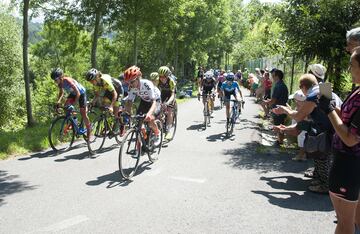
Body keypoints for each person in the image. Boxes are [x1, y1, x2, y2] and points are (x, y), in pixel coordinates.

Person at [318, 47, 360, 234]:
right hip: (350, 164)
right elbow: (346, 119)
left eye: (352, 66)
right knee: (355, 220)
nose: (349, 70)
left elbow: (350, 138)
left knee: (345, 224)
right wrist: (331, 106)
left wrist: (328, 110)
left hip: (348, 165)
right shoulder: (357, 91)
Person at [123, 65, 161, 144]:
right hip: (144, 101)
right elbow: (129, 101)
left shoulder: (147, 84)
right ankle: (145, 138)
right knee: (139, 121)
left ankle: (157, 133)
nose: (130, 84)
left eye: (132, 81)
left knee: (150, 119)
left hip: (155, 100)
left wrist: (149, 114)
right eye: (128, 82)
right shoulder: (132, 87)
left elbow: (153, 101)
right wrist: (127, 113)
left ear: (138, 78)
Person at [51, 68, 91, 138]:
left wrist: (73, 104)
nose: (55, 82)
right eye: (54, 80)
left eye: (55, 80)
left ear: (61, 77)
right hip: (73, 93)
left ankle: (89, 131)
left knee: (83, 113)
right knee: (66, 107)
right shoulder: (60, 84)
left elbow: (78, 93)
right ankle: (74, 121)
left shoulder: (68, 80)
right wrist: (58, 101)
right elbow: (61, 92)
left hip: (81, 93)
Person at [85, 68, 124, 134]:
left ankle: (121, 125)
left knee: (115, 110)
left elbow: (115, 94)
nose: (91, 83)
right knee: (104, 106)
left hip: (118, 90)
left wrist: (111, 106)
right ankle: (107, 126)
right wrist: (91, 103)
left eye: (92, 81)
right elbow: (97, 95)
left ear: (96, 77)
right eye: (90, 82)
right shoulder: (96, 84)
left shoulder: (105, 80)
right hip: (108, 92)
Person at [262, 68, 289, 146]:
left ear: (277, 76)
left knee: (279, 126)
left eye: (273, 76)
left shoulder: (278, 86)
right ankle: (279, 140)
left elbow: (274, 100)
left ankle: (280, 142)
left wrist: (266, 102)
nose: (272, 77)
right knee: (280, 125)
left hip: (278, 109)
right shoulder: (282, 85)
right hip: (281, 108)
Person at [155, 66, 176, 139]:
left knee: (169, 110)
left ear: (167, 76)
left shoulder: (171, 81)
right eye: (160, 76)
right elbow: (155, 91)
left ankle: (168, 130)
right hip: (162, 93)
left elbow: (173, 95)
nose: (162, 78)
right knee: (158, 110)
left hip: (170, 95)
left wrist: (167, 103)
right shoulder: (157, 80)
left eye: (164, 76)